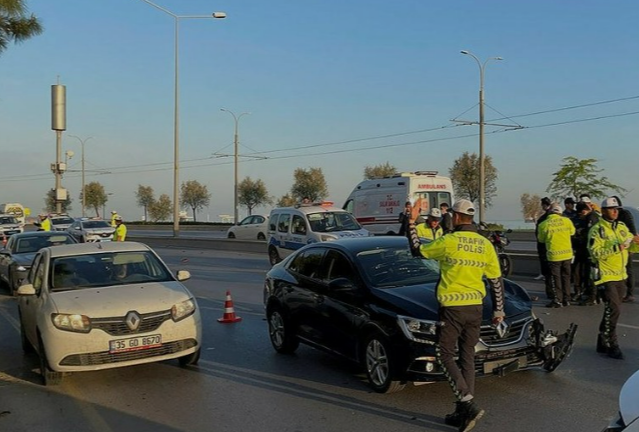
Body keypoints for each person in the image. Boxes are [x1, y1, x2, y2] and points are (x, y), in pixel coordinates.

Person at [407, 198, 504, 431]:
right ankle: (462, 413)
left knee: (444, 355)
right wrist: (499, 310)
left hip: (452, 308)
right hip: (476, 308)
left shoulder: (449, 241)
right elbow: (496, 280)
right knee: (467, 356)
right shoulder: (485, 244)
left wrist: (411, 222)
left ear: (457, 217)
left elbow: (418, 250)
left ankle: (467, 402)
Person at [588, 197, 639, 359]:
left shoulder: (622, 227)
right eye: (612, 209)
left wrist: (636, 243)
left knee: (612, 310)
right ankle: (612, 343)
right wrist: (618, 247)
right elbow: (594, 253)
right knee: (614, 309)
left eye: (617, 209)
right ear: (603, 211)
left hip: (620, 275)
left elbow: (631, 247)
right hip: (605, 275)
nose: (616, 212)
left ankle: (602, 340)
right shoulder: (597, 230)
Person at [537, 203, 576, 307]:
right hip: (567, 254)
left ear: (550, 212)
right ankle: (567, 299)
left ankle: (558, 300)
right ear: (560, 212)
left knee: (556, 278)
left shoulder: (543, 224)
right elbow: (572, 233)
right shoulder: (567, 221)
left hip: (554, 255)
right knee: (566, 277)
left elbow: (541, 239)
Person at [572, 202, 598, 305]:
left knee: (590, 274)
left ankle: (592, 296)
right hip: (582, 250)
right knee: (579, 272)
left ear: (583, 211)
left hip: (589, 251)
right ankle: (584, 293)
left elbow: (590, 235)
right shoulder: (590, 217)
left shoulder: (592, 218)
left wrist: (580, 234)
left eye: (580, 214)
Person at [612, 196, 637, 303]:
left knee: (628, 269)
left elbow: (632, 231)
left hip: (626, 245)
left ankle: (630, 293)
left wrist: (627, 245)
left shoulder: (624, 214)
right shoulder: (621, 214)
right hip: (620, 246)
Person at [535, 197, 554, 297]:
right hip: (553, 249)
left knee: (549, 274)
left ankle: (551, 293)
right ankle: (559, 294)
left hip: (546, 249)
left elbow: (539, 237)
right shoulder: (562, 219)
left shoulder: (543, 220)